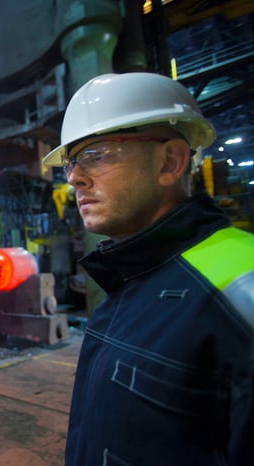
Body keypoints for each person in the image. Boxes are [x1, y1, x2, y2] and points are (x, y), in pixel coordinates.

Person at [43, 72, 254, 465]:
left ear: (169, 161)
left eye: (95, 155)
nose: (74, 178)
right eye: (72, 162)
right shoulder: (129, 278)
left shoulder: (241, 291)